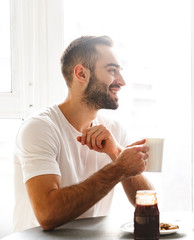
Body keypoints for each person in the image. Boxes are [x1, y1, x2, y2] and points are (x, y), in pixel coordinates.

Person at [13, 36, 154, 232]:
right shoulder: (39, 128)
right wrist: (118, 168)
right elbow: (47, 214)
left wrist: (116, 154)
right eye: (112, 70)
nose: (122, 82)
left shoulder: (115, 129)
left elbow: (148, 200)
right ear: (81, 73)